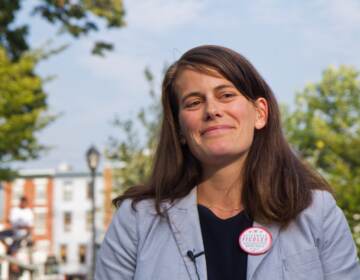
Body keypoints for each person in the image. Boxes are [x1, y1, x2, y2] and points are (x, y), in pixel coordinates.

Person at [95, 45, 360, 280]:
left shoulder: (317, 212)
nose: (212, 110)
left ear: (259, 113)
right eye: (194, 102)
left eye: (226, 95)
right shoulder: (137, 219)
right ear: (179, 130)